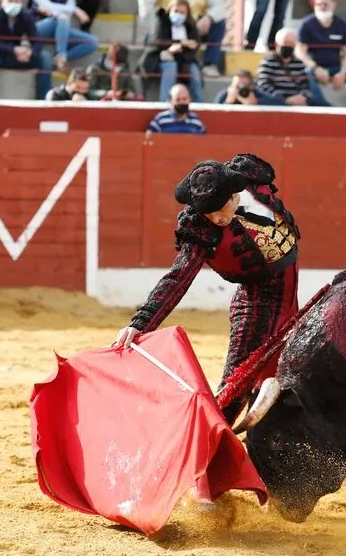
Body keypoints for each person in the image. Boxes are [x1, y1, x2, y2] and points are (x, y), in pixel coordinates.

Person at [112, 154, 302, 425]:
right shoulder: (200, 227)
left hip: (290, 302)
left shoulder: (252, 180)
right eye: (208, 212)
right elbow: (178, 277)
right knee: (234, 387)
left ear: (234, 193)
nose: (216, 218)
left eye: (220, 208)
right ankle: (208, 442)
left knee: (290, 376)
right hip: (257, 304)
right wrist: (140, 323)